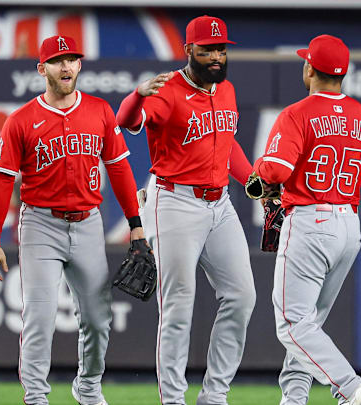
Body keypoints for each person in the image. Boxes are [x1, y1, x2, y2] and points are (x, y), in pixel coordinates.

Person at [0, 35, 146, 405]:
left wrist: (135, 223)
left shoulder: (100, 111)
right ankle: (37, 398)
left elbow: (119, 170)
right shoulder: (20, 121)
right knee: (39, 318)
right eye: (58, 61)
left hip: (88, 224)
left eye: (72, 59)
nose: (67, 66)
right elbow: (2, 182)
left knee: (97, 318)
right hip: (41, 224)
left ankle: (88, 387)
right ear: (42, 69)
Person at [252, 35, 361, 405]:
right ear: (343, 74)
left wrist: (258, 168)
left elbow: (275, 170)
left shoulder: (297, 114)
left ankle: (348, 386)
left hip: (309, 223)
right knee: (309, 326)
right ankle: (294, 400)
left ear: (309, 69)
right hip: (348, 229)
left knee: (292, 324)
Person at [116, 15, 256, 405]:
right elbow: (125, 120)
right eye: (207, 48)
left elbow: (228, 146)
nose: (216, 56)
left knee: (242, 296)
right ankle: (173, 400)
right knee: (179, 305)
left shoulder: (225, 90)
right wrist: (138, 95)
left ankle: (214, 395)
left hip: (220, 204)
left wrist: (253, 183)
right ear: (188, 50)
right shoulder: (167, 90)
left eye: (221, 49)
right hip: (174, 202)